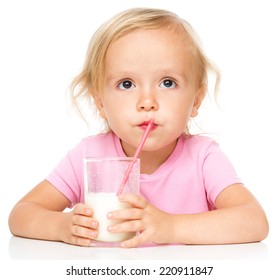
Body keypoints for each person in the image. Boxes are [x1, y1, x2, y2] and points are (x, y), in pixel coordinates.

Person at [8, 8, 269, 248]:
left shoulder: (203, 158)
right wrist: (62, 226)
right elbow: (22, 213)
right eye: (126, 84)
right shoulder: (89, 156)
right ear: (100, 102)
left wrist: (171, 227)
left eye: (167, 83)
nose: (147, 102)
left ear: (196, 101)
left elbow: (254, 221)